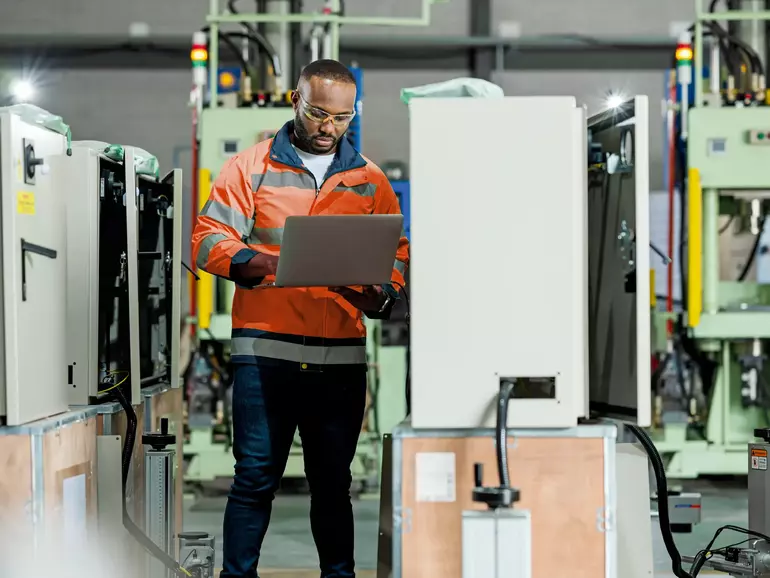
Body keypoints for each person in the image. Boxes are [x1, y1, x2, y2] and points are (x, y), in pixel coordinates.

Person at [192, 58, 410, 578]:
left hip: (339, 356)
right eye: (317, 113)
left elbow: (396, 259)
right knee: (254, 479)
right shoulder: (250, 167)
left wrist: (376, 293)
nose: (327, 127)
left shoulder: (370, 180)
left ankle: (339, 575)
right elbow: (207, 238)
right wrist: (259, 261)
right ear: (296, 101)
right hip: (265, 354)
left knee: (333, 483)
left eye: (340, 118)